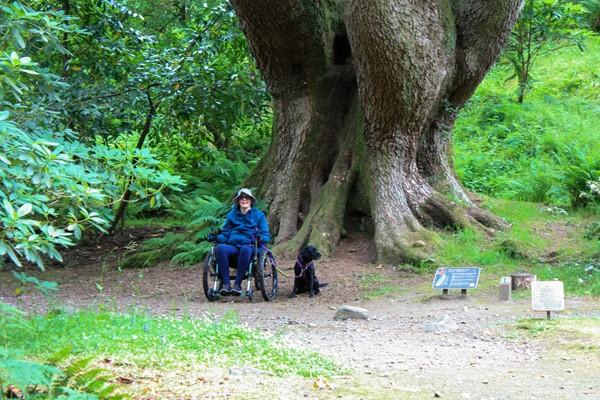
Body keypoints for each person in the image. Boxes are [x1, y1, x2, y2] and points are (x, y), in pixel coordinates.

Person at [209, 188, 270, 296]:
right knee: (220, 248)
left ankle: (237, 284)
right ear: (238, 201)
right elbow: (225, 234)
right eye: (241, 198)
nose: (244, 200)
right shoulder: (231, 215)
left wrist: (259, 237)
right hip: (234, 246)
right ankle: (226, 285)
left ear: (251, 200)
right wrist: (217, 238)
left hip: (251, 246)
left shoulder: (259, 215)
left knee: (245, 249)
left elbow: (266, 235)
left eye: (247, 198)